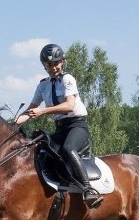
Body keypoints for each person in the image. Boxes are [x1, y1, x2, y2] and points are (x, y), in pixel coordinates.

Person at [14, 43, 102, 208]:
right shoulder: (43, 85)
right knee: (39, 148)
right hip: (60, 128)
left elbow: (69, 106)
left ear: (62, 62)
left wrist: (43, 111)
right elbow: (31, 110)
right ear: (44, 66)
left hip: (77, 126)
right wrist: (12, 124)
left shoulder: (68, 79)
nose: (53, 67)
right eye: (49, 65)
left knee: (68, 149)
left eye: (56, 63)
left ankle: (88, 189)